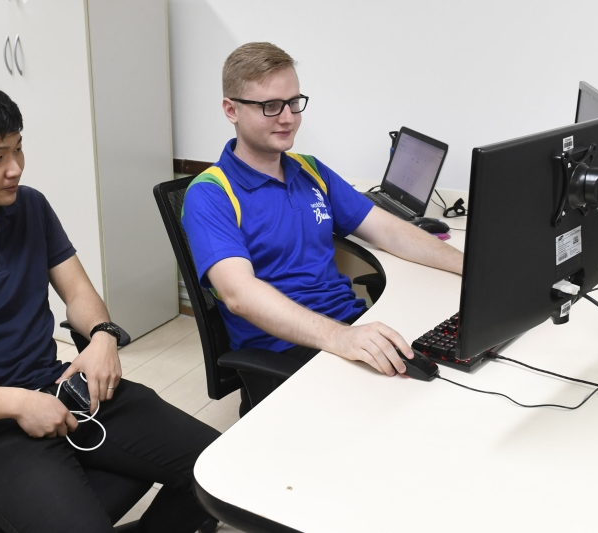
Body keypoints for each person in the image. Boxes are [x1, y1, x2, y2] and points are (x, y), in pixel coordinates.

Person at [0, 78, 219, 533]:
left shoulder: (29, 207)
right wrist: (16, 403)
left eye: (18, 149)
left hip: (63, 392)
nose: (14, 168)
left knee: (219, 474)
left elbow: (78, 293)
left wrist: (103, 336)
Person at [182, 42, 463, 379]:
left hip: (347, 325)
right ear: (231, 110)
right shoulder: (210, 194)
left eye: (293, 103)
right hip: (286, 352)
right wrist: (340, 337)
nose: (288, 118)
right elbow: (239, 294)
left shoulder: (310, 170)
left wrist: (472, 268)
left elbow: (388, 230)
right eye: (270, 106)